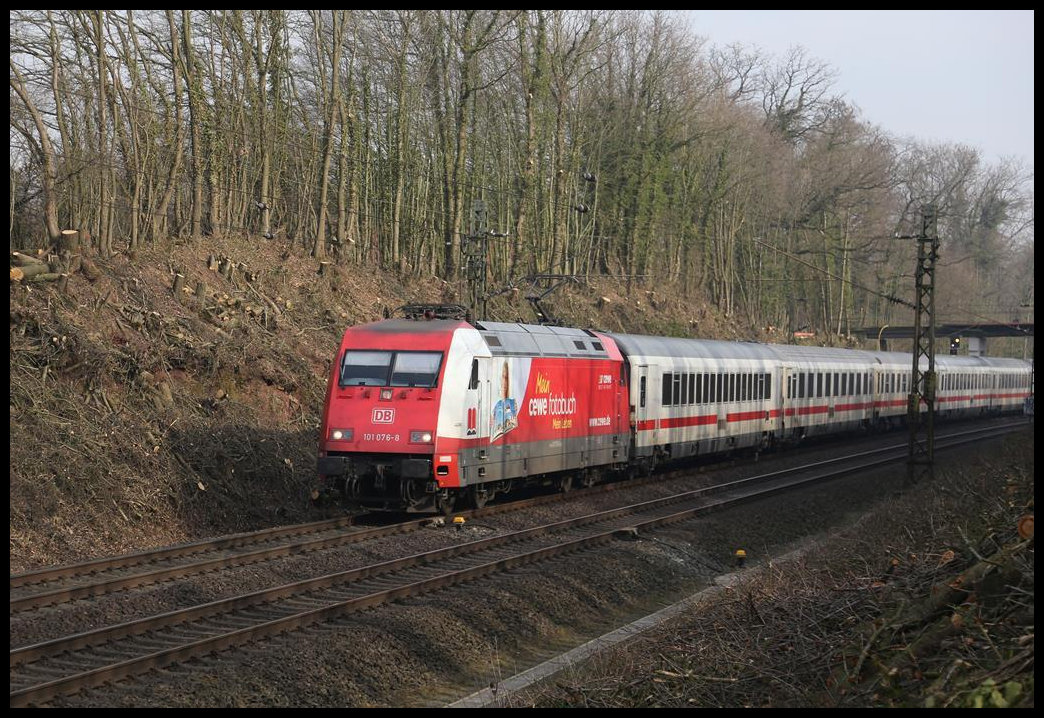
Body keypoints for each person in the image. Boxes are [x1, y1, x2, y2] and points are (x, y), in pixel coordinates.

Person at [492, 361, 518, 439]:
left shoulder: (513, 403)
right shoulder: (496, 405)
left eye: (506, 378)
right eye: (503, 377)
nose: (504, 382)